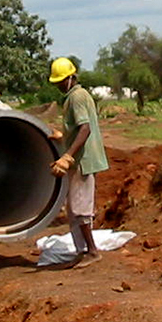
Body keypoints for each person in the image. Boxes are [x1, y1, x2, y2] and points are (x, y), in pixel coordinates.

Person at [46, 57, 108, 266]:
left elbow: (85, 128)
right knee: (73, 208)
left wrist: (68, 155)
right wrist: (62, 137)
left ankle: (92, 251)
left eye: (62, 81)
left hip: (83, 161)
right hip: (78, 159)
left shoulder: (77, 97)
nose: (60, 85)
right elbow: (77, 129)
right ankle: (82, 251)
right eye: (57, 82)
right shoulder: (73, 97)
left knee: (81, 207)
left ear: (72, 77)